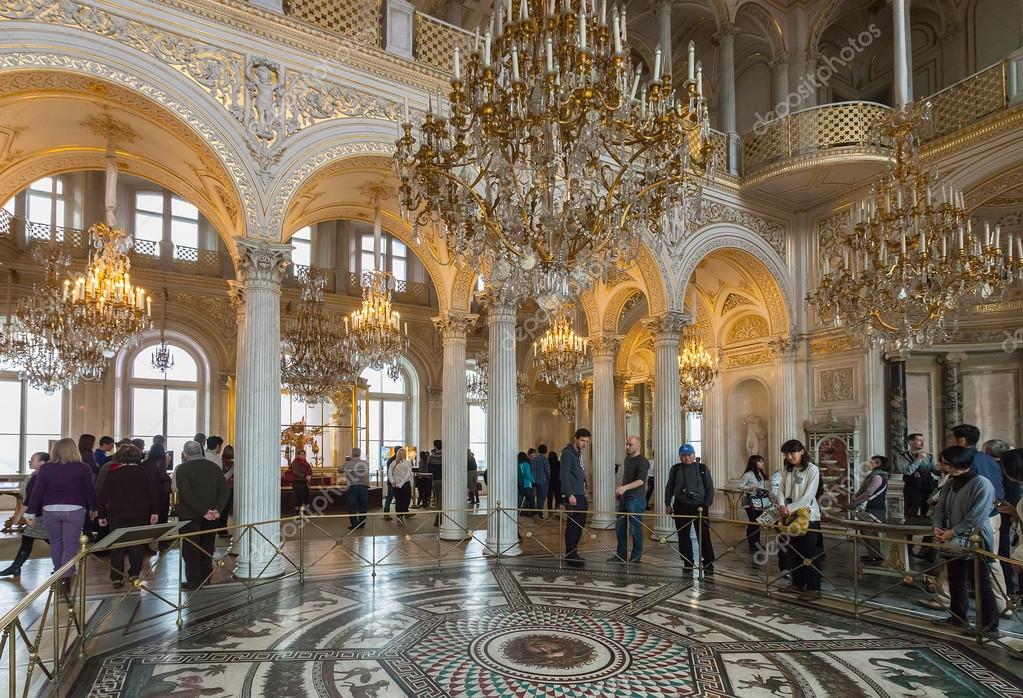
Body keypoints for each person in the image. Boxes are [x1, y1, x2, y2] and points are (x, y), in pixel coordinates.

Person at [930, 446, 998, 636]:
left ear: (960, 463)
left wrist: (955, 531)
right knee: (956, 579)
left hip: (976, 538)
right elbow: (940, 507)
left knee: (981, 582)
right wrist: (937, 525)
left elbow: (977, 515)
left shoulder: (982, 484)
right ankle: (957, 617)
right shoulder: (951, 483)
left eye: (946, 463)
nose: (943, 466)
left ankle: (989, 626)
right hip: (952, 536)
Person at [24, 438, 96, 588]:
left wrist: (30, 512)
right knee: (70, 544)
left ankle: (58, 572)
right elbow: (89, 491)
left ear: (55, 450)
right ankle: (66, 577)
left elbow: (38, 491)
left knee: (56, 543)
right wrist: (94, 508)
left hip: (50, 509)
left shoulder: (46, 468)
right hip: (75, 509)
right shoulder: (83, 468)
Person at [96, 444, 162, 588]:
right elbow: (154, 493)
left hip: (116, 513)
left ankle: (116, 577)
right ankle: (134, 574)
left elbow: (103, 495)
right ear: (138, 456)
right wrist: (155, 512)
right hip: (140, 513)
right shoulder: (145, 472)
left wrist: (101, 514)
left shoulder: (113, 473)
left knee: (117, 546)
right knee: (137, 544)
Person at [174, 440, 228, 590]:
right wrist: (216, 509)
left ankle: (194, 581)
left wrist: (203, 512)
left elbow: (186, 494)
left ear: (185, 453)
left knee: (190, 550)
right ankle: (206, 578)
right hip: (212, 516)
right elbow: (224, 490)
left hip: (190, 516)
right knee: (207, 547)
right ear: (201, 451)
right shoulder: (214, 467)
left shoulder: (182, 469)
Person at [777, 439, 822, 600]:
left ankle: (813, 588)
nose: (789, 457)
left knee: (808, 552)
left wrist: (788, 508)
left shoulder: (812, 469)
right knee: (793, 551)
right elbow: (781, 489)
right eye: (786, 454)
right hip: (789, 515)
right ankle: (797, 583)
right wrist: (782, 504)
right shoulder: (787, 469)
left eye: (792, 453)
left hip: (808, 516)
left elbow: (809, 495)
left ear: (801, 451)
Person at [665, 444, 716, 574]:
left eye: (689, 455)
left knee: (703, 535)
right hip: (681, 506)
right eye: (684, 455)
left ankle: (708, 562)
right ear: (680, 457)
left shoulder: (702, 469)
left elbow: (710, 488)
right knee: (683, 536)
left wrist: (706, 505)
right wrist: (667, 504)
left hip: (700, 507)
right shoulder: (675, 469)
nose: (687, 458)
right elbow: (669, 487)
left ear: (694, 455)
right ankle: (688, 561)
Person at [0, 452, 51, 578]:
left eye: (33, 459)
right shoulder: (38, 476)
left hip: (41, 515)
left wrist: (18, 516)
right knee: (28, 539)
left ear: (42, 463)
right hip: (39, 514)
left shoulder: (40, 477)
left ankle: (67, 563)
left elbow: (30, 499)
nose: (29, 461)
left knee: (51, 540)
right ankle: (16, 567)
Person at [610, 435, 650, 564]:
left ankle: (636, 556)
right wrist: (621, 491)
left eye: (630, 444)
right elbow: (627, 478)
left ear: (638, 446)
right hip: (625, 497)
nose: (627, 447)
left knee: (635, 529)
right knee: (620, 528)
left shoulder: (643, 461)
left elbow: (640, 481)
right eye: (627, 444)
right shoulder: (627, 459)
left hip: (636, 498)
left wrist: (624, 488)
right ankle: (621, 555)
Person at [849, 455, 890, 563]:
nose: (868, 464)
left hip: (874, 508)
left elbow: (869, 492)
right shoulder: (875, 476)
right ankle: (873, 555)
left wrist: (856, 498)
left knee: (869, 532)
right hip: (873, 507)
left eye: (871, 462)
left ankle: (876, 556)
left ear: (878, 464)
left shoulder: (877, 477)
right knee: (868, 532)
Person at [560, 428, 591, 564]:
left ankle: (573, 552)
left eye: (587, 441)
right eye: (582, 440)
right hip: (573, 496)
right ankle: (570, 554)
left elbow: (578, 471)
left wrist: (585, 481)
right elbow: (564, 475)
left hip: (580, 494)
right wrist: (569, 494)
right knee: (573, 526)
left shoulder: (578, 454)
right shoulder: (568, 453)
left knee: (580, 525)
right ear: (575, 438)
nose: (584, 444)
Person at [898, 433, 934, 518]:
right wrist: (919, 459)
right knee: (911, 514)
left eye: (923, 440)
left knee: (926, 514)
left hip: (927, 488)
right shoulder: (903, 456)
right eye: (919, 440)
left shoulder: (929, 457)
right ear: (910, 442)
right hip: (912, 489)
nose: (922, 442)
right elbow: (907, 471)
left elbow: (934, 471)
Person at [739, 455, 768, 558]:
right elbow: (740, 486)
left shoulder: (761, 474)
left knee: (758, 521)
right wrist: (750, 488)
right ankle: (753, 542)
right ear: (754, 462)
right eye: (760, 462)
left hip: (760, 501)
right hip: (750, 501)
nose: (762, 463)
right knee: (754, 521)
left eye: (762, 461)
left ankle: (756, 542)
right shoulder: (748, 474)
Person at [342, 447, 370, 529]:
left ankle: (354, 524)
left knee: (351, 506)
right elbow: (366, 472)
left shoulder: (348, 463)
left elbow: (339, 470)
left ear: (352, 454)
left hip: (351, 486)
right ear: (360, 454)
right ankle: (362, 523)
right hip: (363, 487)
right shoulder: (364, 463)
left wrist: (348, 462)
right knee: (363, 506)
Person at [390, 447, 413, 524]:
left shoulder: (393, 462)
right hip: (404, 485)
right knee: (405, 501)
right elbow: (407, 475)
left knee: (398, 501)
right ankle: (400, 516)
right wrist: (400, 484)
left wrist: (393, 482)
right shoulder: (408, 463)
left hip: (396, 485)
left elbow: (389, 474)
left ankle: (399, 517)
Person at [218, 445, 235, 534]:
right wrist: (232, 470)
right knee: (223, 510)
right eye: (228, 457)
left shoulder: (232, 463)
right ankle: (221, 528)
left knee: (226, 510)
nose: (230, 459)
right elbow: (223, 477)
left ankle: (223, 527)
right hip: (223, 488)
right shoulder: (220, 462)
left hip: (231, 488)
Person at [530, 445, 550, 518]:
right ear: (546, 450)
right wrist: (548, 478)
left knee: (537, 497)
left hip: (534, 481)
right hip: (543, 482)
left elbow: (531, 470)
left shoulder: (534, 459)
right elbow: (547, 471)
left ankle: (537, 513)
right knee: (541, 498)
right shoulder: (545, 459)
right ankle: (540, 514)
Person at [428, 440, 443, 526]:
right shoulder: (445, 456)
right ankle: (439, 518)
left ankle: (438, 518)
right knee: (442, 500)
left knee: (437, 500)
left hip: (435, 480)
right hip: (444, 480)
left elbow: (429, 470)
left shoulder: (431, 457)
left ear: (435, 447)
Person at [383, 445, 399, 521]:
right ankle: (386, 514)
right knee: (392, 498)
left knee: (390, 498)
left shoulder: (390, 459)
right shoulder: (396, 460)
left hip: (392, 481)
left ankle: (386, 514)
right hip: (394, 482)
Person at [517, 451, 535, 516]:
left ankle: (523, 512)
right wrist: (534, 480)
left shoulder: (517, 464)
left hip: (520, 485)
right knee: (531, 501)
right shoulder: (526, 464)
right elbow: (528, 475)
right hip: (527, 485)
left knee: (524, 500)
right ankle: (534, 514)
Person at [547, 450, 561, 516]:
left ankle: (550, 513)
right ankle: (556, 512)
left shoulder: (547, 463)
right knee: (558, 498)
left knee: (549, 498)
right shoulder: (559, 463)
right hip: (558, 483)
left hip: (549, 483)